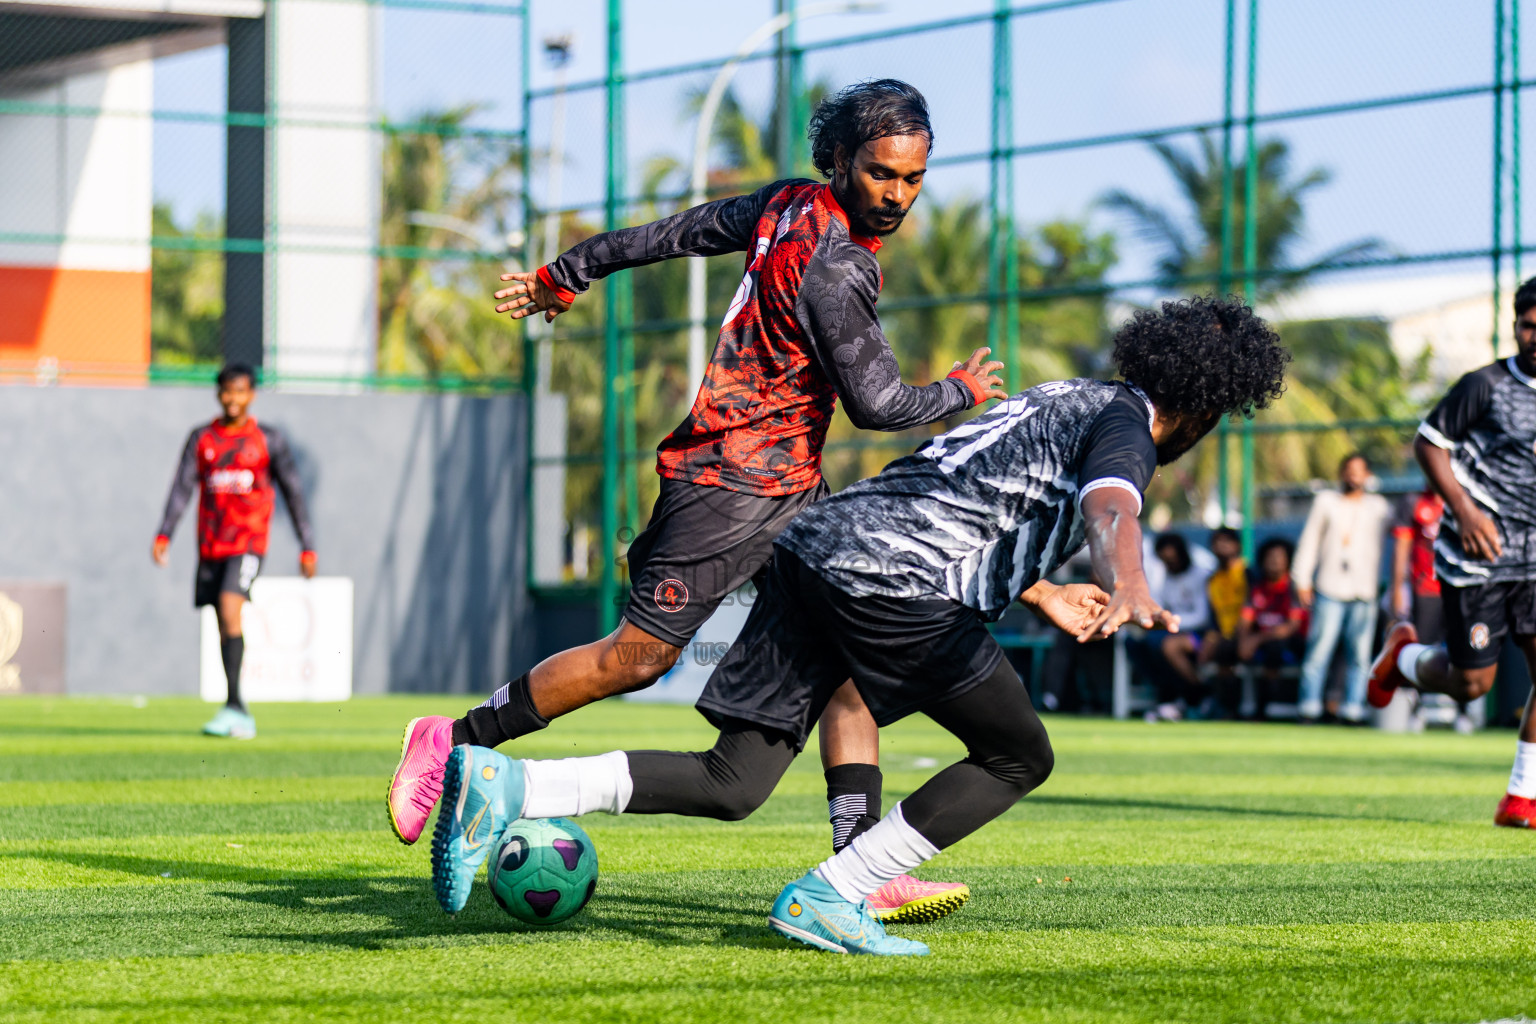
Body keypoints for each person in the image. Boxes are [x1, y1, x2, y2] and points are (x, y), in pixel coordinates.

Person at [427, 295, 1289, 955]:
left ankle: (514, 787)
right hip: (895, 582)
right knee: (1017, 754)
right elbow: (1112, 504)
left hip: (817, 549)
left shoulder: (1066, 397)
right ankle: (838, 889)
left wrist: (1043, 592)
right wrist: (1127, 579)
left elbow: (961, 494)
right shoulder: (1128, 426)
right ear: (1206, 407)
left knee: (735, 782)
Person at [387, 80, 1006, 921]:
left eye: (912, 179)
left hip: (790, 490)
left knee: (847, 661)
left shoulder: (786, 204)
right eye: (880, 173)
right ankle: (455, 742)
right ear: (840, 160)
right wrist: (961, 390)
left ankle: (863, 866)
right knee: (638, 658)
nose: (896, 195)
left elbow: (671, 233)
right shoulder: (839, 263)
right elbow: (881, 405)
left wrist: (570, 272)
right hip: (729, 484)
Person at [1370, 275, 1536, 826]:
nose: (1534, 335)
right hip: (1480, 555)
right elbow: (1429, 444)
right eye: (1527, 325)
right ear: (1515, 326)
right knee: (1472, 685)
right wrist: (1465, 512)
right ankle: (1404, 658)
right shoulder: (1484, 385)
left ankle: (1521, 795)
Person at [152, 363, 317, 739]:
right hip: (211, 545)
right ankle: (233, 706)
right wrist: (164, 534)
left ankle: (237, 708)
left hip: (248, 542)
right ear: (218, 393)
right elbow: (181, 488)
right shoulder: (202, 439)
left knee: (230, 607)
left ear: (251, 395)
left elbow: (293, 493)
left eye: (240, 391)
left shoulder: (267, 440)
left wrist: (307, 546)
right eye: (227, 391)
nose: (233, 398)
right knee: (222, 621)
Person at [1291, 453, 1392, 723]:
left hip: (1364, 590)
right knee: (1319, 650)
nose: (1353, 476)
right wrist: (1302, 579)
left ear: (1368, 475)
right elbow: (1309, 541)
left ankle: (1352, 708)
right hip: (1329, 587)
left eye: (1359, 471)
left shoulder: (1380, 507)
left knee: (1360, 654)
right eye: (1348, 470)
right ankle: (1309, 707)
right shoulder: (1325, 501)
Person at [1390, 487, 1470, 732]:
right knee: (1422, 648)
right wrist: (1396, 587)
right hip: (1426, 588)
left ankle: (1463, 711)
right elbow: (1402, 546)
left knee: (1463, 648)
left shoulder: (1466, 499)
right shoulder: (1413, 501)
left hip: (1460, 587)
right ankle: (1419, 707)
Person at [1220, 538, 1307, 720]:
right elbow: (1245, 620)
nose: (1274, 561)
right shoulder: (1257, 588)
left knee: (1274, 650)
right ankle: (1229, 708)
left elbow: (1290, 627)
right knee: (1226, 650)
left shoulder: (1293, 588)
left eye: (1279, 557)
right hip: (1258, 640)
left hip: (1288, 642)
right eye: (1270, 557)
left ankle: (1263, 709)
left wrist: (1255, 639)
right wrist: (1244, 640)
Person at [1139, 532, 1214, 720]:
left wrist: (1171, 622)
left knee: (1165, 646)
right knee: (1137, 643)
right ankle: (1172, 695)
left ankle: (1195, 692)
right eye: (1165, 560)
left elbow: (1201, 616)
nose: (1170, 564)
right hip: (1172, 630)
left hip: (1200, 635)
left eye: (1173, 559)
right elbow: (1159, 603)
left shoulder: (1201, 575)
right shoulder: (1163, 576)